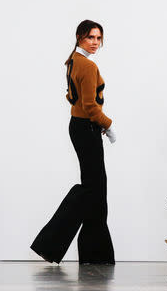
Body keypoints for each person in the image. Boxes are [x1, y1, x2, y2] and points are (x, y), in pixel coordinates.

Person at [31, 20, 115, 264]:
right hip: (86, 128)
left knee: (96, 192)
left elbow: (73, 99)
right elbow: (90, 106)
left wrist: (95, 123)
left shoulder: (73, 61)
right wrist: (108, 125)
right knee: (93, 190)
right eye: (91, 37)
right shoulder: (86, 65)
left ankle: (94, 255)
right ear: (79, 37)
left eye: (99, 38)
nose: (95, 43)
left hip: (81, 127)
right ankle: (50, 244)